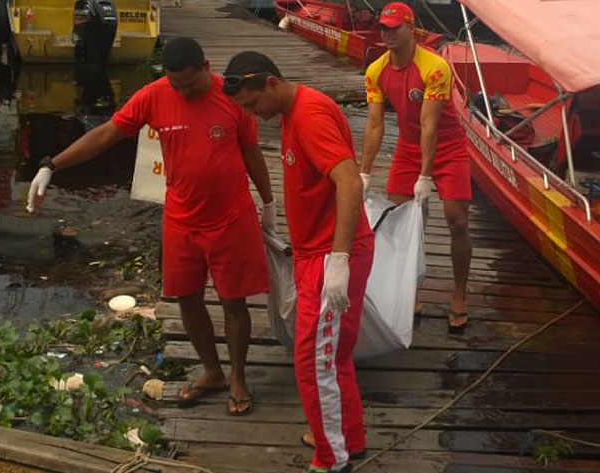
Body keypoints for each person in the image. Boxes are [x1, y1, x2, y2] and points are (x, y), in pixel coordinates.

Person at [26, 37, 275, 416]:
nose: (183, 92)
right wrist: (52, 165)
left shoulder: (232, 95)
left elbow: (251, 151)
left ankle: (238, 377)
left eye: (190, 84)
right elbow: (106, 134)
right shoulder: (154, 96)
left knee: (233, 301)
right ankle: (212, 372)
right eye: (176, 85)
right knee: (187, 298)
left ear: (207, 67)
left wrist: (269, 202)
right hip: (181, 217)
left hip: (231, 216)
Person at [223, 51, 374, 473]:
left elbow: (348, 182)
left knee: (313, 361)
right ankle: (347, 437)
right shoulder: (292, 111)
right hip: (315, 251)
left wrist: (339, 259)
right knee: (334, 356)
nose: (254, 115)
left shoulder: (309, 115)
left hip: (331, 253)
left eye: (253, 105)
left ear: (271, 82)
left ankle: (332, 459)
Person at [361, 2, 473, 333]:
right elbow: (374, 124)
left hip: (449, 146)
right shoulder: (375, 70)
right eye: (384, 27)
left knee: (457, 220)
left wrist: (426, 177)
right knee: (402, 222)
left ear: (412, 29)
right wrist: (364, 172)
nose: (388, 34)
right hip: (408, 147)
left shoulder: (434, 67)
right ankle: (409, 291)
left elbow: (430, 126)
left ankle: (459, 294)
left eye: (395, 27)